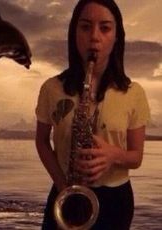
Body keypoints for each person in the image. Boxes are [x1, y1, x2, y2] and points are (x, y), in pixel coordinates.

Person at [35, 0, 150, 229]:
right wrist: (63, 186)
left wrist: (113, 155)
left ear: (117, 36)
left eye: (105, 28)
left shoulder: (133, 93)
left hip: (115, 200)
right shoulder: (51, 88)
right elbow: (41, 141)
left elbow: (136, 157)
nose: (94, 37)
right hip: (65, 192)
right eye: (85, 27)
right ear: (74, 32)